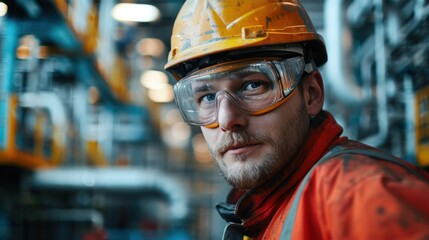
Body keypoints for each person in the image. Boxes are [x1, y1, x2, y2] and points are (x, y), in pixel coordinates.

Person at [164, 0, 429, 239]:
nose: (226, 119)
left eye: (253, 85)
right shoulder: (266, 212)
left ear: (312, 94)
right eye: (207, 98)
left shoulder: (361, 197)